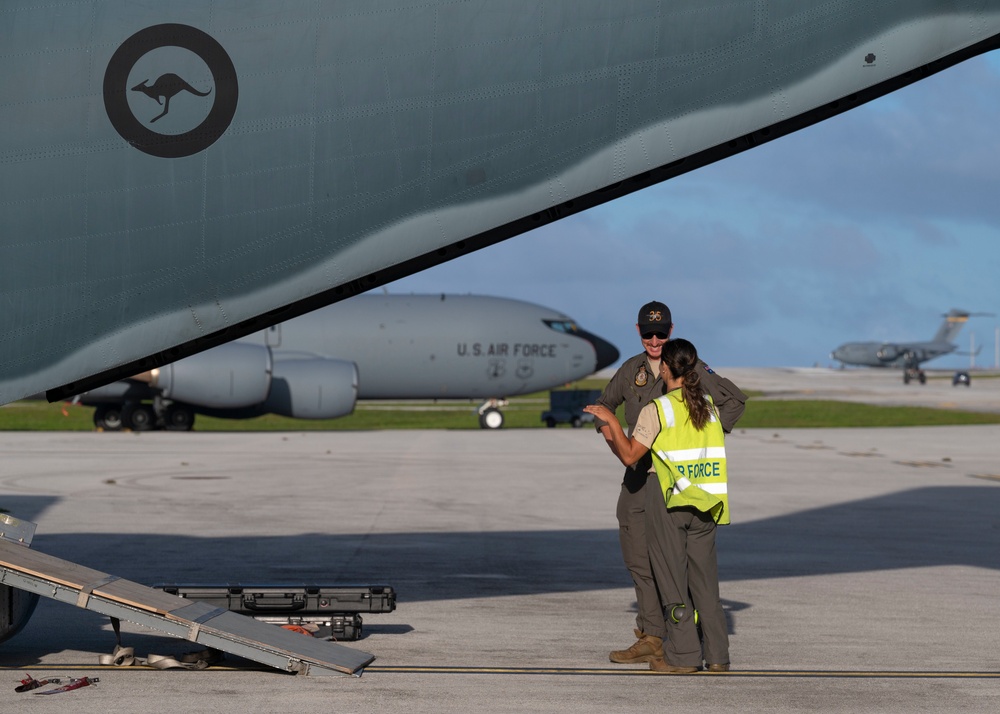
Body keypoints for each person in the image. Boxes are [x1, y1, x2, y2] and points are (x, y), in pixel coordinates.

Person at [590, 302, 744, 666]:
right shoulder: (632, 370)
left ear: (671, 331)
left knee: (675, 568)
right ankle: (652, 635)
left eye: (661, 333)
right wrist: (615, 439)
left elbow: (733, 403)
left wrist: (705, 432)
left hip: (674, 483)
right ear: (638, 332)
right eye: (648, 334)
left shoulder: (687, 367)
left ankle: (682, 644)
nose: (654, 340)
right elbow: (604, 406)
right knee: (639, 560)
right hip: (637, 478)